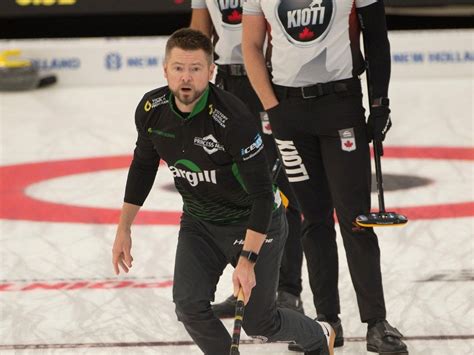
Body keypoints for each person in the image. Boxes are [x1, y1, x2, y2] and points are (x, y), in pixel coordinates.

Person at [111, 28, 335, 355]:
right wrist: (124, 227)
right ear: (165, 70)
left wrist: (247, 259)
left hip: (255, 222)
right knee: (188, 306)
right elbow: (143, 166)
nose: (186, 77)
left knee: (260, 323)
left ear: (211, 71)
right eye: (178, 68)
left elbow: (261, 194)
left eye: (196, 68)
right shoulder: (151, 110)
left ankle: (318, 333)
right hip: (200, 222)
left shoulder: (232, 118)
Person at [241, 1, 408, 354]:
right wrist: (272, 108)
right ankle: (327, 322)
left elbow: (376, 37)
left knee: (356, 219)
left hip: (340, 104)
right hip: (288, 113)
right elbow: (251, 47)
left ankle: (376, 323)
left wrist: (380, 104)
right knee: (313, 220)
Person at [189, 0, 305, 317]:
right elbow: (199, 34)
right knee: (235, 191)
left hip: (270, 81)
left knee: (280, 189)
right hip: (225, 83)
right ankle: (246, 287)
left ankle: (288, 290)